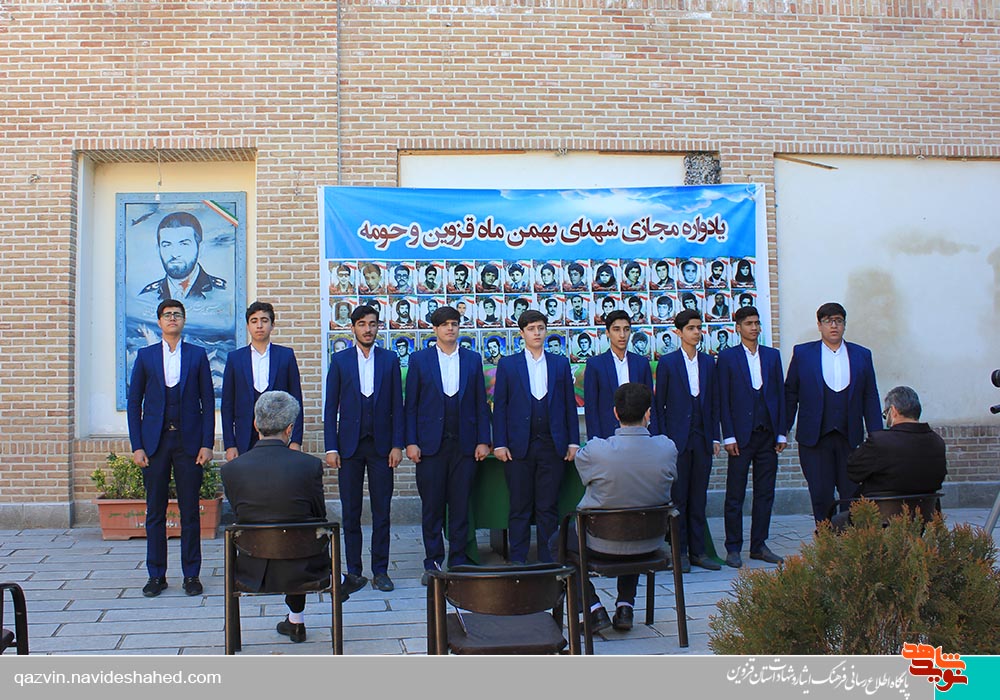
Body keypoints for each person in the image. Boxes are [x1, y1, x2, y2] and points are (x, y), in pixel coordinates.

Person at [552, 383, 677, 633]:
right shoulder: (667, 448)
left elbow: (584, 475)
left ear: (615, 413)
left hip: (602, 542)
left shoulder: (597, 451)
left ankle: (592, 609)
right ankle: (625, 605)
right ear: (648, 413)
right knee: (635, 516)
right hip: (650, 540)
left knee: (558, 541)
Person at [221, 391, 329, 644]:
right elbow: (318, 516)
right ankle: (306, 610)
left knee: (287, 532)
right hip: (305, 567)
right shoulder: (309, 465)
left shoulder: (231, 470)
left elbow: (241, 514)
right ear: (290, 429)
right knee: (300, 533)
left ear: (255, 424)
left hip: (252, 566)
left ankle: (295, 621)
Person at [127, 300, 215, 598]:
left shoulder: (197, 355)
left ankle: (191, 575)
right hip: (155, 444)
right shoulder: (146, 356)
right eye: (167, 315)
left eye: (177, 314)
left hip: (189, 444)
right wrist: (137, 446)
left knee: (190, 511)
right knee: (155, 511)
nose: (172, 319)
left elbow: (207, 402)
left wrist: (207, 443)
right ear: (159, 322)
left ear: (183, 320)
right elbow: (134, 403)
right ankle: (156, 575)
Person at [405, 306, 491, 584]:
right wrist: (411, 442)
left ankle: (458, 559)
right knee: (431, 507)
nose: (450, 328)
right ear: (435, 329)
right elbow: (411, 406)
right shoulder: (420, 360)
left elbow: (480, 403)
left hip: (464, 445)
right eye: (444, 325)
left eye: (454, 324)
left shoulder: (472, 359)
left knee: (460, 505)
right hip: (430, 446)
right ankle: (432, 562)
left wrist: (483, 440)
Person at [325, 305, 405, 594]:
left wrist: (397, 444)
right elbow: (330, 407)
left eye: (372, 324)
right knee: (351, 511)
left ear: (378, 327)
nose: (367, 329)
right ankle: (354, 571)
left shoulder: (390, 359)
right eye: (362, 324)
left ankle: (380, 571)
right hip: (349, 447)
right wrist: (331, 447)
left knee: (382, 510)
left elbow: (398, 405)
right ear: (353, 328)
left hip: (382, 447)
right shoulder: (340, 360)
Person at [493, 310, 580, 563]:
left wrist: (573, 441)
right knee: (519, 505)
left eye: (541, 328)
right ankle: (518, 559)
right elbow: (500, 407)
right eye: (531, 329)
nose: (537, 333)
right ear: (522, 333)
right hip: (518, 446)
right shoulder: (509, 364)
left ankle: (548, 558)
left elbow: (569, 405)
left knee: (548, 506)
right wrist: (500, 443)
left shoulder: (559, 363)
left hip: (552, 444)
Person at [785, 302, 882, 523]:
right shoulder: (803, 354)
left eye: (838, 320)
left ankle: (849, 538)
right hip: (815, 438)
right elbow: (791, 393)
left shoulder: (862, 355)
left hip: (850, 437)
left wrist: (877, 435)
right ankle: (825, 536)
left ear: (844, 324)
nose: (834, 326)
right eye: (828, 321)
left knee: (852, 493)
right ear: (819, 325)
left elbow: (870, 396)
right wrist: (783, 430)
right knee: (820, 493)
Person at [717, 306, 787, 568]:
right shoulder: (728, 357)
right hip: (740, 436)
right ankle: (733, 547)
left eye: (757, 323)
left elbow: (780, 395)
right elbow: (723, 398)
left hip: (767, 434)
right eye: (749, 323)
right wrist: (728, 436)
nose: (754, 328)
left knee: (765, 492)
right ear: (738, 327)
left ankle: (759, 545)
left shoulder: (772, 356)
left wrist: (781, 431)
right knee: (735, 494)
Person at [655, 309, 721, 572]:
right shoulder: (668, 363)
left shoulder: (708, 362)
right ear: (679, 332)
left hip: (702, 437)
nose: (696, 332)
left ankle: (699, 551)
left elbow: (713, 402)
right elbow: (659, 405)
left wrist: (715, 436)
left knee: (699, 496)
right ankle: (679, 552)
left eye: (699, 328)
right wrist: (663, 439)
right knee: (679, 497)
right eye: (691, 328)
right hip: (677, 439)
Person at [831, 386, 947, 529]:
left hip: (878, 518)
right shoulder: (937, 442)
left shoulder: (879, 442)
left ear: (893, 411)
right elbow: (938, 478)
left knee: (831, 525)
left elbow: (853, 471)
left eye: (886, 414)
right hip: (924, 517)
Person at [222, 302, 304, 462]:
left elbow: (296, 399)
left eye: (264, 320)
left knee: (278, 477)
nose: (259, 325)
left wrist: (296, 440)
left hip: (279, 436)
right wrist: (230, 444)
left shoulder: (285, 356)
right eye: (254, 321)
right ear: (248, 326)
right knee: (247, 477)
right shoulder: (235, 358)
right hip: (245, 437)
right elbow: (227, 404)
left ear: (272, 325)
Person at [584, 310, 656, 440]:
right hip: (607, 436)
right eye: (616, 329)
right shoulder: (595, 365)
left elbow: (650, 403)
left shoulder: (641, 363)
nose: (622, 335)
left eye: (626, 329)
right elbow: (591, 408)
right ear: (607, 332)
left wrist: (652, 435)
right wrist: (595, 441)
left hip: (640, 435)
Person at [139, 212, 227, 300]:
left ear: (200, 249)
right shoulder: (147, 296)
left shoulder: (223, 294)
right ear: (158, 250)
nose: (175, 254)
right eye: (167, 245)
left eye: (184, 244)